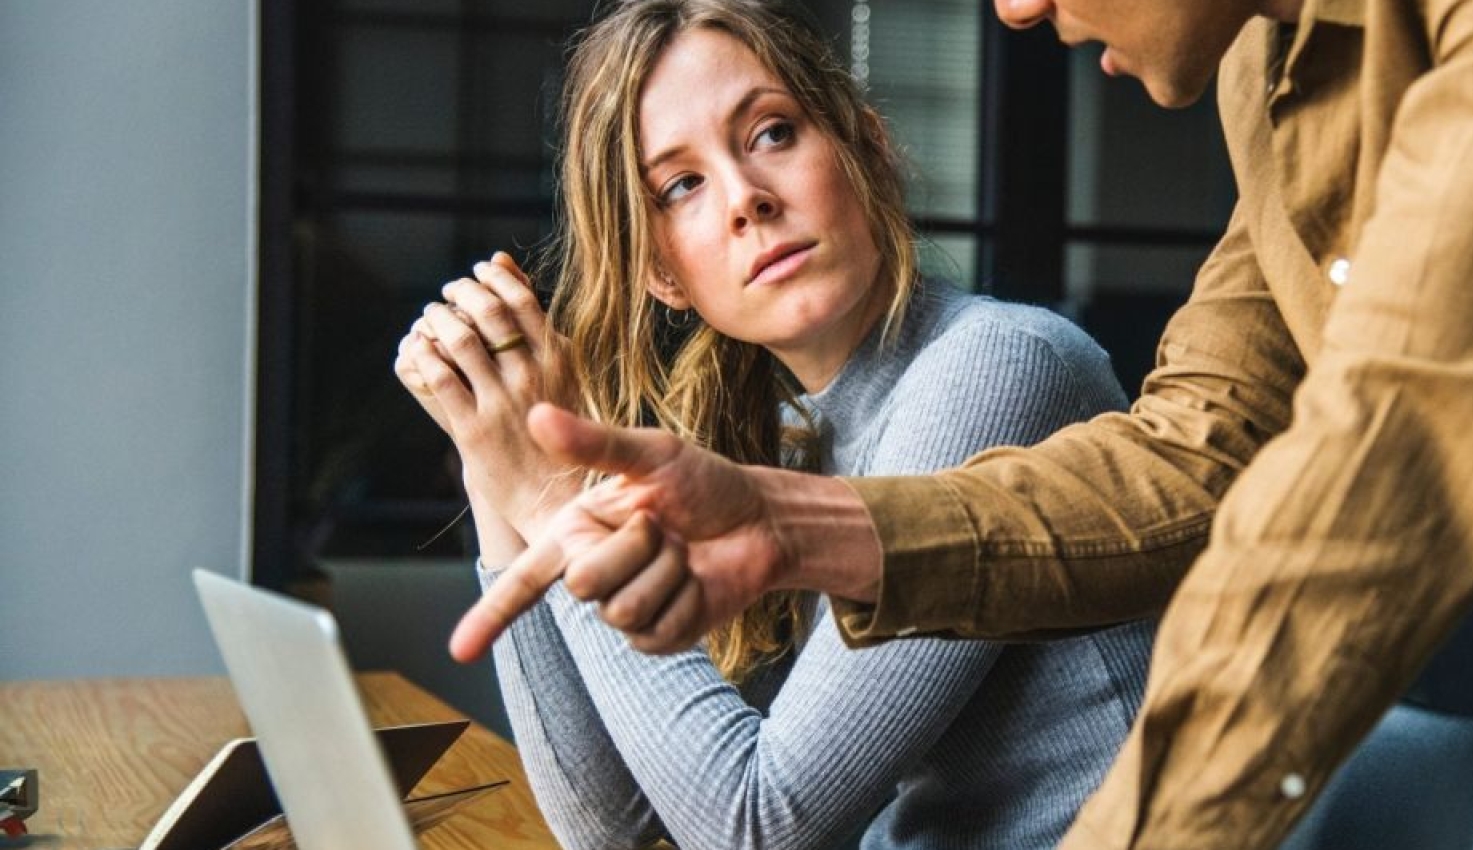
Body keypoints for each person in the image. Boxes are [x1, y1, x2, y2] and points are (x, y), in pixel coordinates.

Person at [455, 0, 1473, 847]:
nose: (1015, 7)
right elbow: (1197, 449)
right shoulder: (1271, 77)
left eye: (772, 132)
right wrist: (786, 524)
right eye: (679, 186)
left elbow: (1399, 448)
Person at [397, 2, 1155, 847]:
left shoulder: (1001, 368)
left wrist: (554, 500)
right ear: (662, 274)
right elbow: (611, 830)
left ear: (867, 148)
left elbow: (757, 829)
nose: (746, 200)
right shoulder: (787, 436)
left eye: (771, 134)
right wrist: (494, 450)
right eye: (681, 185)